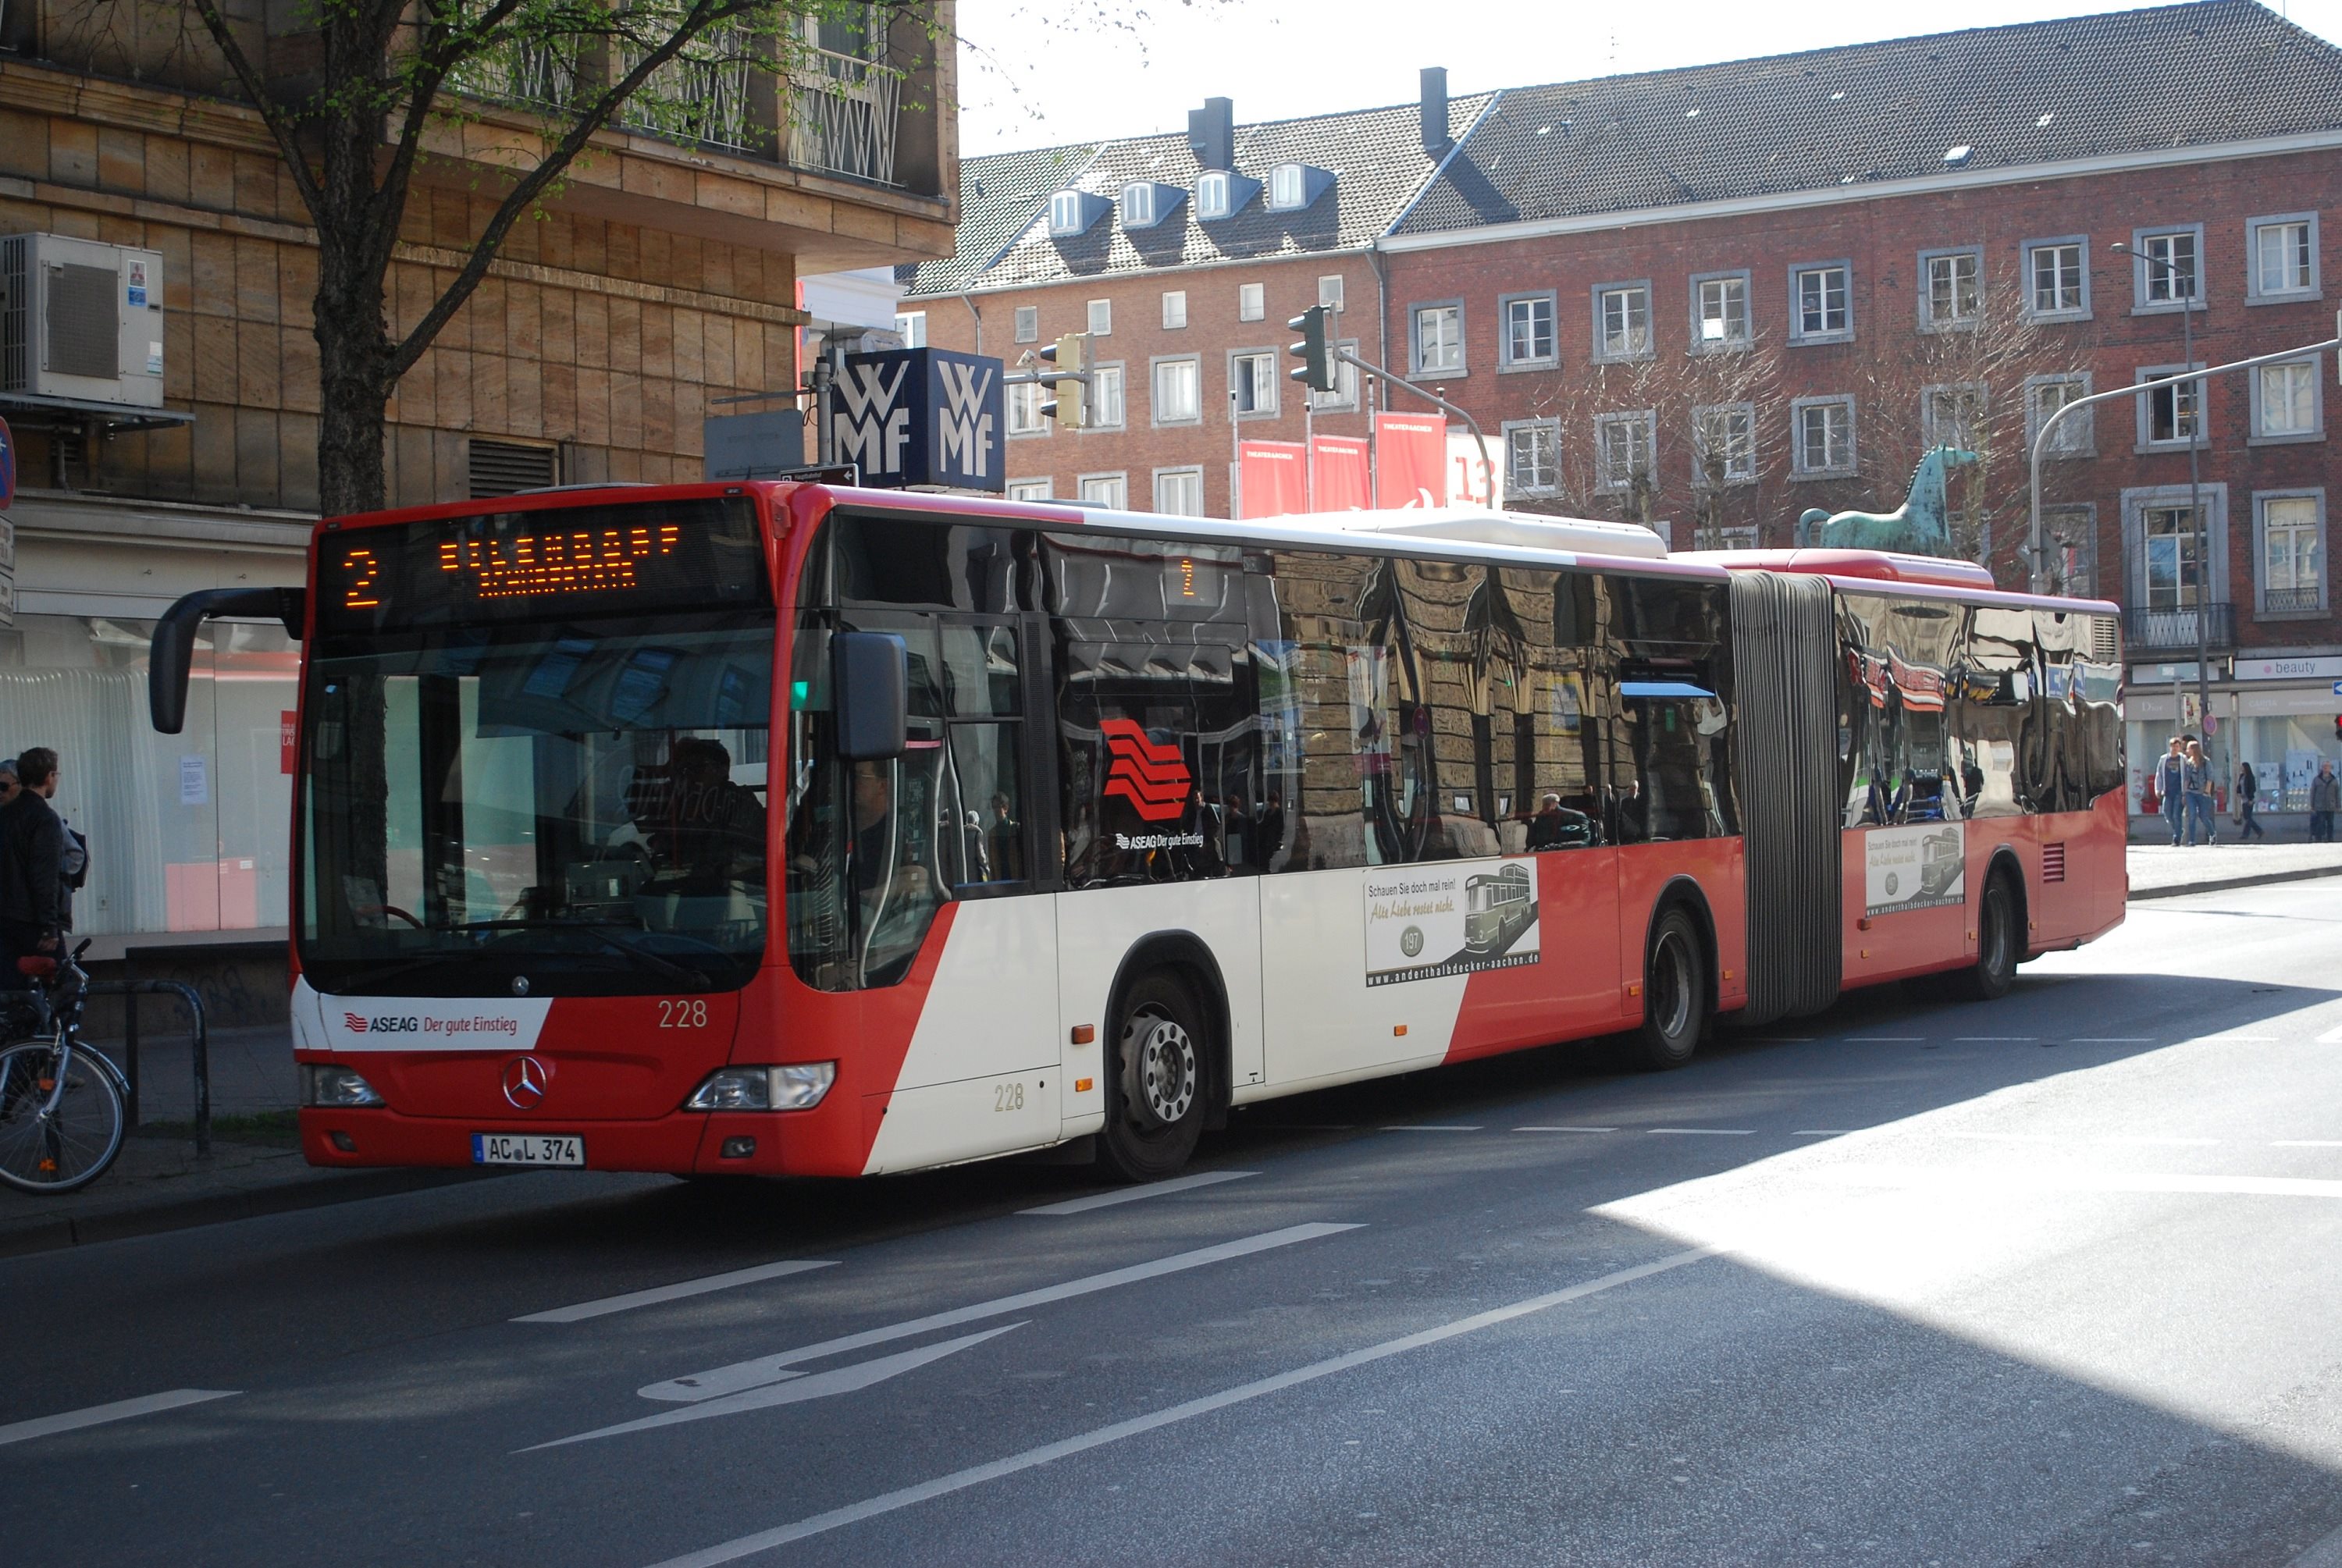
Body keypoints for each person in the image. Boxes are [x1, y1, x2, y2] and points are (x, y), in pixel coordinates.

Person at [0, 748, 67, 989]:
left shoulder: (5, 814)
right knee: (61, 984)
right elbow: (44, 876)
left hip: (5, 917)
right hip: (31, 921)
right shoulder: (45, 818)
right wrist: (49, 926)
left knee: (11, 988)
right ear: (49, 776)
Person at [2152, 737, 2187, 848]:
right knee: (2167, 813)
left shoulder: (2183, 759)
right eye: (2173, 746)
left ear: (2180, 747)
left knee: (2176, 815)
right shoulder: (2164, 759)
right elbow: (2159, 774)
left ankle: (2176, 839)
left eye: (2177, 746)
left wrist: (2185, 793)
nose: (2175, 749)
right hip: (2167, 791)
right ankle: (2178, 830)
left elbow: (2187, 776)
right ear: (2170, 747)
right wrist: (2158, 789)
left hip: (2179, 791)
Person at [2182, 738, 2216, 846]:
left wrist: (2207, 791)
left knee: (2203, 816)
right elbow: (2187, 778)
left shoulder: (2206, 762)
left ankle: (2212, 834)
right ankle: (2192, 840)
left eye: (2188, 749)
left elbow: (2210, 778)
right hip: (2191, 793)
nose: (2186, 751)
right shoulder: (2189, 763)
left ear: (2194, 750)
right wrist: (2185, 792)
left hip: (2202, 793)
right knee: (2192, 815)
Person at [2234, 759, 2266, 842]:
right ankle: (2259, 831)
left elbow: (2252, 788)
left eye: (2243, 767)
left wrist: (2251, 799)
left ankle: (2246, 834)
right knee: (2247, 817)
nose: (2241, 768)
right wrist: (2238, 792)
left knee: (2248, 817)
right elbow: (2239, 786)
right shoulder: (2242, 776)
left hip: (2248, 799)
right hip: (2243, 798)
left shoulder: (2250, 777)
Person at [2312, 760, 2339, 844]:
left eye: (2328, 766)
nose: (2326, 768)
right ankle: (2319, 840)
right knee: (2321, 824)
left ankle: (2330, 840)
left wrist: (2338, 805)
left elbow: (2337, 793)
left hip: (2331, 806)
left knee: (2330, 824)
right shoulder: (2317, 780)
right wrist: (2312, 805)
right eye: (2324, 766)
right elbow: (2313, 792)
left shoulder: (2334, 780)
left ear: (2330, 768)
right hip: (2320, 806)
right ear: (2322, 768)